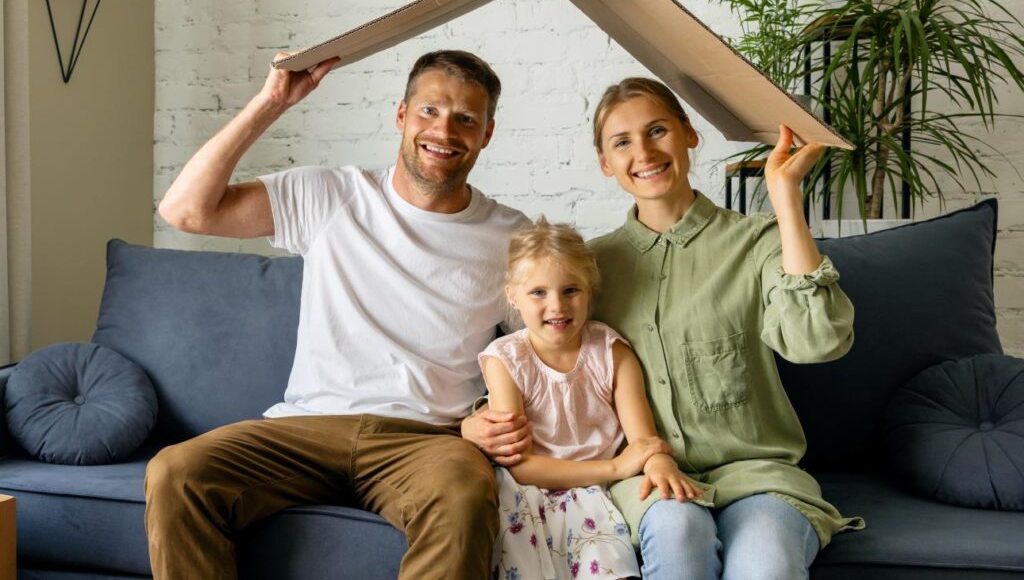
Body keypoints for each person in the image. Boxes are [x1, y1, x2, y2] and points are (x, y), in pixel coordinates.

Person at [147, 49, 531, 580]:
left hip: (427, 440)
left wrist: (487, 414)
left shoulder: (513, 236)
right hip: (306, 429)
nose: (444, 130)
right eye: (429, 111)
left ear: (486, 134)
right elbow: (183, 211)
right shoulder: (331, 195)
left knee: (464, 493)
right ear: (401, 116)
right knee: (176, 470)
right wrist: (270, 102)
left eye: (466, 118)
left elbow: (536, 354)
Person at [465, 77, 863, 579]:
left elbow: (819, 342)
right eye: (622, 142)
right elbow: (545, 356)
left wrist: (785, 199)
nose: (645, 152)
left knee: (764, 568)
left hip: (759, 475)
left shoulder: (757, 240)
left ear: (689, 135)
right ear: (605, 163)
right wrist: (479, 419)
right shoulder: (591, 269)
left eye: (658, 131)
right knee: (677, 542)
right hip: (648, 476)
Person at [481, 218, 704, 580]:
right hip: (527, 494)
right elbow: (519, 464)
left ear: (591, 290)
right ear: (513, 295)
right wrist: (615, 468)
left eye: (571, 290)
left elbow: (643, 441)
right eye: (538, 292)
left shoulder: (611, 351)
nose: (557, 306)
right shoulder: (504, 359)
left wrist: (658, 463)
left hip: (597, 498)